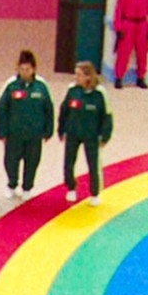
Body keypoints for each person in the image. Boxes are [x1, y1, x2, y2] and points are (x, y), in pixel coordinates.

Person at [0, 49, 54, 194]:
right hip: (14, 133)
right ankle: (12, 184)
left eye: (27, 69)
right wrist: (1, 132)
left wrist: (48, 131)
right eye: (21, 69)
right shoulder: (11, 85)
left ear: (33, 69)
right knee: (11, 162)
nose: (24, 72)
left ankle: (27, 187)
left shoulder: (41, 86)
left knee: (32, 162)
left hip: (34, 134)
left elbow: (49, 110)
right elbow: (1, 110)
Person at [57, 61, 114, 201]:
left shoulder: (100, 94)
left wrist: (105, 136)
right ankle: (71, 188)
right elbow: (64, 111)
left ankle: (95, 193)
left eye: (79, 75)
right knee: (68, 163)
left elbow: (107, 116)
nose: (76, 77)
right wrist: (61, 130)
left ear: (88, 76)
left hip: (92, 135)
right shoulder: (72, 90)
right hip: (72, 133)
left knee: (93, 165)